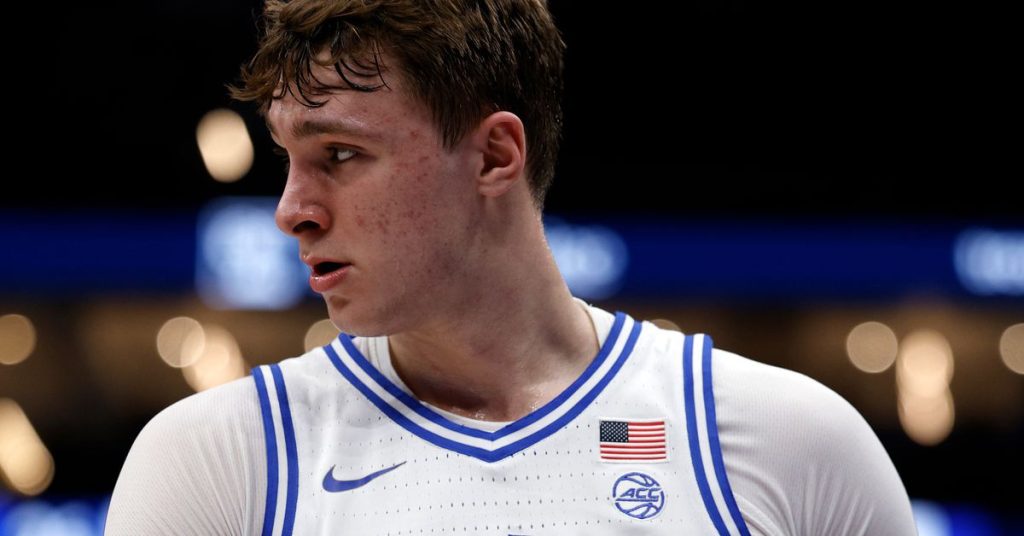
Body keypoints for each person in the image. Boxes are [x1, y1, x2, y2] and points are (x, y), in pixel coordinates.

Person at [105, 1, 918, 534]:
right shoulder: (217, 461)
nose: (292, 210)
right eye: (288, 158)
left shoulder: (791, 444)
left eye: (341, 154)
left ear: (495, 154)